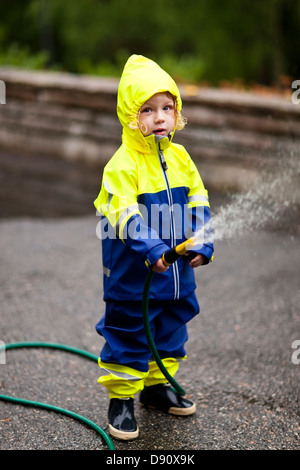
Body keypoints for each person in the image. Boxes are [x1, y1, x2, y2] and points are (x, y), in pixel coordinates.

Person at [94, 54, 214, 440]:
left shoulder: (181, 158)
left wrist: (203, 242)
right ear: (131, 116)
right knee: (129, 334)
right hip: (135, 278)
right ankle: (122, 400)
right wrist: (151, 248)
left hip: (177, 278)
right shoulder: (122, 164)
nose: (160, 117)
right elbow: (122, 214)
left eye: (167, 107)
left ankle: (156, 387)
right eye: (147, 109)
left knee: (170, 332)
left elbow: (200, 201)